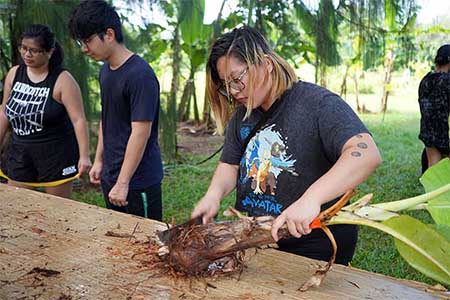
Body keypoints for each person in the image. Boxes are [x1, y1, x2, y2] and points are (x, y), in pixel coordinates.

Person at [191, 26, 382, 265]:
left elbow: (365, 154)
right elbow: (229, 164)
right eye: (225, 84)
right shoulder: (243, 115)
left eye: (237, 79)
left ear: (266, 64)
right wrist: (213, 195)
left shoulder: (317, 104)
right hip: (263, 236)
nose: (232, 91)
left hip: (317, 239)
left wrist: (311, 199)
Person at [68, 0, 163, 220]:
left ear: (109, 34)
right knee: (118, 242)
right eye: (81, 42)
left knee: (147, 245)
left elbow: (141, 132)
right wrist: (99, 159)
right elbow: (107, 118)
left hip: (138, 181)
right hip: (111, 175)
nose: (84, 49)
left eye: (88, 41)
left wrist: (123, 182)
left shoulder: (141, 75)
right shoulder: (106, 71)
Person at [0, 24, 91, 198]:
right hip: (21, 154)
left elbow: (78, 120)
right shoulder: (14, 73)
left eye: (34, 50)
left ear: (49, 52)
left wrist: (84, 156)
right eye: (24, 48)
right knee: (18, 206)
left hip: (55, 156)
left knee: (57, 211)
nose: (27, 54)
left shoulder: (63, 80)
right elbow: (4, 111)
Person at [418, 44, 450, 174]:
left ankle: (433, 194)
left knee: (433, 169)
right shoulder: (448, 81)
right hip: (446, 132)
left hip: (428, 131)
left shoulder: (425, 80)